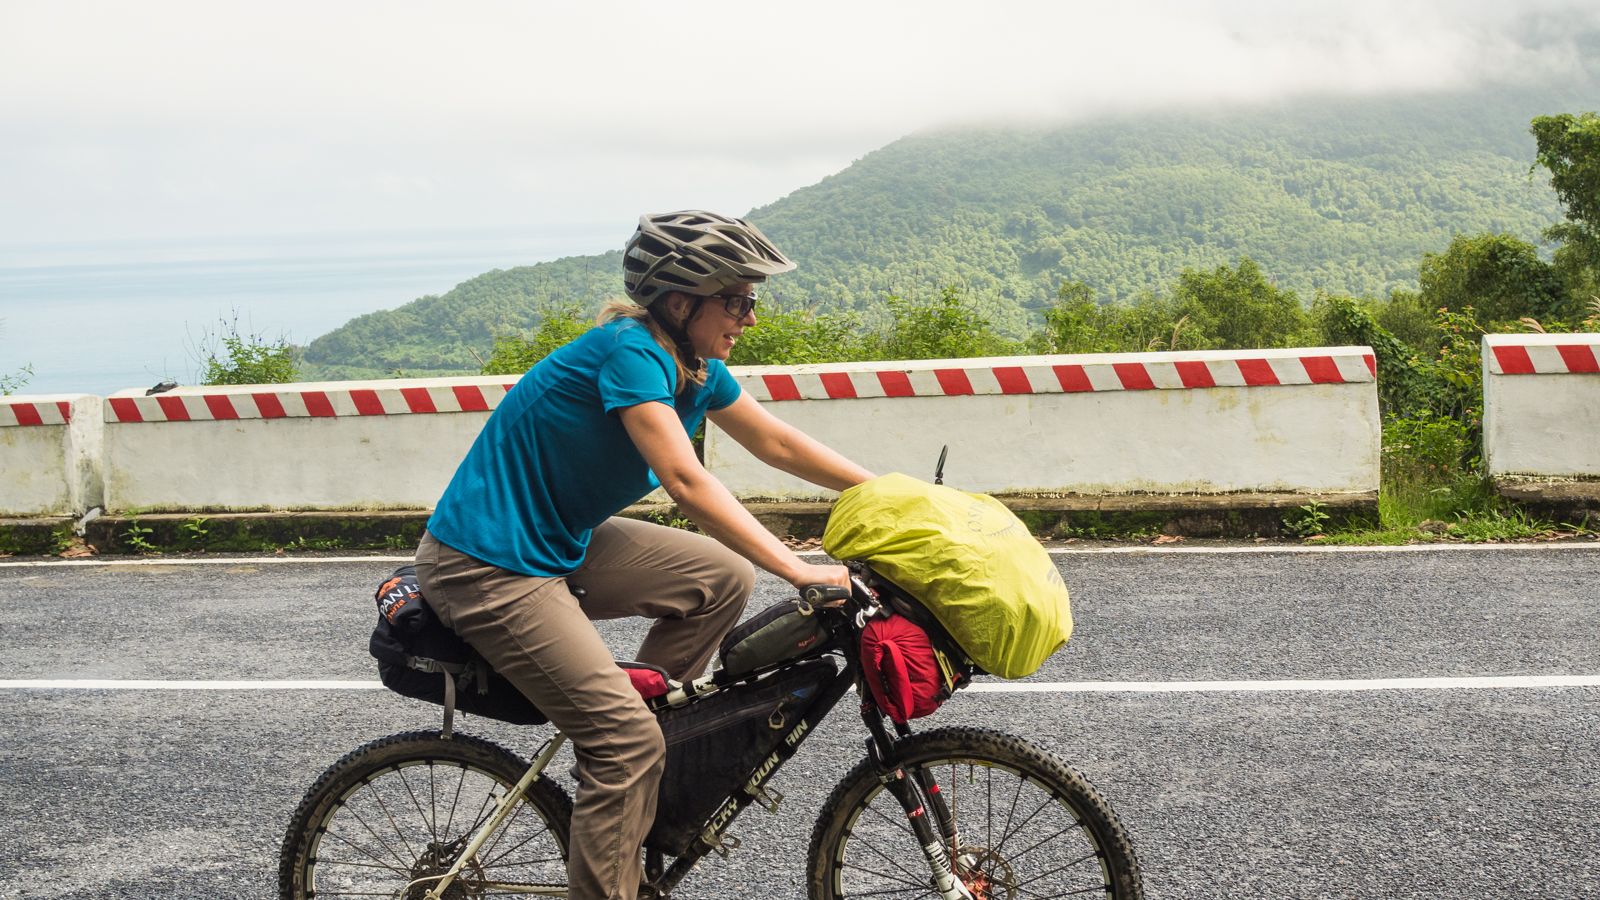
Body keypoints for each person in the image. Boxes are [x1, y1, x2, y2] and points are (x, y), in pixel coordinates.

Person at [413, 210, 874, 900]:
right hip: (485, 564)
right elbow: (687, 481)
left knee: (719, 577)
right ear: (681, 301)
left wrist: (887, 489)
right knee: (624, 743)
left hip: (556, 542)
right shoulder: (631, 352)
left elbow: (774, 442)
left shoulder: (693, 364)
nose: (750, 317)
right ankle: (621, 754)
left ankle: (626, 759)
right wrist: (799, 568)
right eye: (739, 299)